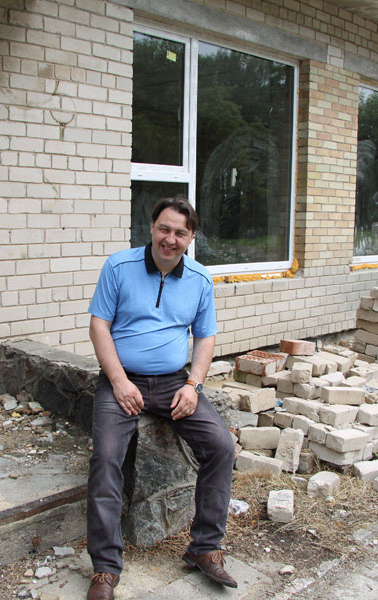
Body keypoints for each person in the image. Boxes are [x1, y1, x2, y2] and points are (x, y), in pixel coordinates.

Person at [85, 198, 237, 600]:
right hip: (121, 381)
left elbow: (205, 337)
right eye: (164, 229)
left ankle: (204, 548)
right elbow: (99, 326)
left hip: (173, 383)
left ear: (191, 237)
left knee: (221, 446)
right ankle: (105, 569)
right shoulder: (119, 267)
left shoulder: (200, 280)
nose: (170, 239)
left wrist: (194, 385)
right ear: (151, 228)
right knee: (106, 458)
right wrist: (119, 381)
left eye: (180, 233)